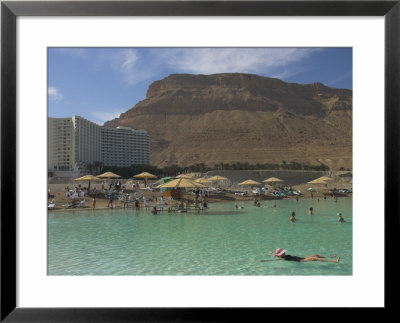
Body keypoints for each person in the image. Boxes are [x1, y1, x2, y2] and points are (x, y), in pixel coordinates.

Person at [261, 248, 339, 263]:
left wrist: (271, 253)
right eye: (282, 253)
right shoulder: (281, 258)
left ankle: (330, 257)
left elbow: (275, 255)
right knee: (315, 258)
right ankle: (333, 261)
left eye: (283, 252)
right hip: (301, 261)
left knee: (315, 254)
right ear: (280, 255)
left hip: (301, 257)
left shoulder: (279, 256)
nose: (284, 253)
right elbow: (274, 259)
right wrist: (265, 260)